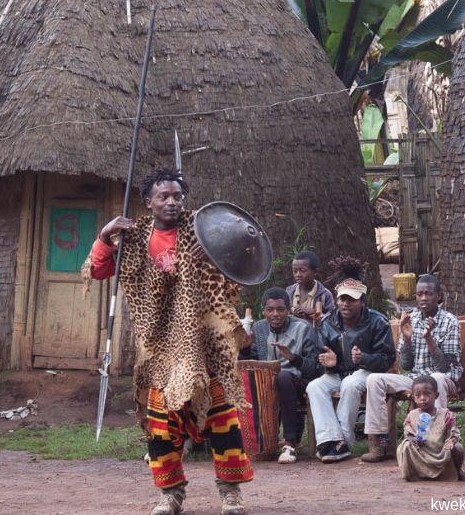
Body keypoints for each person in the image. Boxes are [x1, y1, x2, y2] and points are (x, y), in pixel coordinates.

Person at [88, 168, 253, 515]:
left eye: (178, 196)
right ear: (148, 203)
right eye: (164, 196)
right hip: (160, 346)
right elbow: (100, 270)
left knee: (222, 417)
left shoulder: (203, 229)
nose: (172, 202)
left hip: (204, 340)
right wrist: (104, 236)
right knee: (161, 424)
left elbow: (242, 250)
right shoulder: (133, 238)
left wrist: (216, 256)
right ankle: (170, 494)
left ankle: (230, 493)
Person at [362, 274, 462, 462]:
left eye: (429, 294)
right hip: (416, 379)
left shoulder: (450, 321)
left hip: (444, 379)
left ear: (439, 296)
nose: (423, 298)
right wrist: (407, 339)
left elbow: (444, 366)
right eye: (419, 294)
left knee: (437, 378)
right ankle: (380, 443)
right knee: (374, 379)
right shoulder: (411, 319)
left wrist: (429, 339)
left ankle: (436, 442)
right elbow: (407, 365)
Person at [305, 256, 395, 463]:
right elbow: (317, 359)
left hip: (368, 373)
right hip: (338, 372)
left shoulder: (377, 321)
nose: (346, 303)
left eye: (352, 299)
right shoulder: (327, 322)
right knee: (315, 386)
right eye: (342, 299)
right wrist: (329, 364)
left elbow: (387, 359)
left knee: (351, 382)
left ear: (362, 301)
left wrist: (364, 358)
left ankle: (342, 440)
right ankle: (331, 440)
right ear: (336, 300)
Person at [246, 287, 321, 464]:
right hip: (266, 382)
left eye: (280, 309)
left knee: (284, 377)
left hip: (299, 381)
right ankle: (255, 442)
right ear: (263, 311)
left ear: (288, 310)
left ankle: (289, 443)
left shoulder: (303, 328)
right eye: (270, 310)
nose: (275, 314)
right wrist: (244, 349)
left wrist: (293, 358)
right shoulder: (259, 328)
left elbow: (315, 368)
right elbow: (254, 360)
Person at [396, 375, 465, 481]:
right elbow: (408, 432)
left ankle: (458, 470)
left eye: (427, 394)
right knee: (405, 446)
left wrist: (451, 441)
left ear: (436, 395)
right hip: (420, 451)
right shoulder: (411, 415)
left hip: (441, 451)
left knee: (458, 448)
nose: (422, 398)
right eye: (418, 395)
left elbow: (454, 432)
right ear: (413, 397)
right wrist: (413, 439)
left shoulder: (446, 414)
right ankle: (413, 473)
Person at [286, 250, 335, 323]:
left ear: (315, 272)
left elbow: (333, 320)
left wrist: (314, 313)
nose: (298, 274)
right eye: (295, 271)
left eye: (302, 270)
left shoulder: (324, 295)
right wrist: (293, 311)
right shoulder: (289, 292)